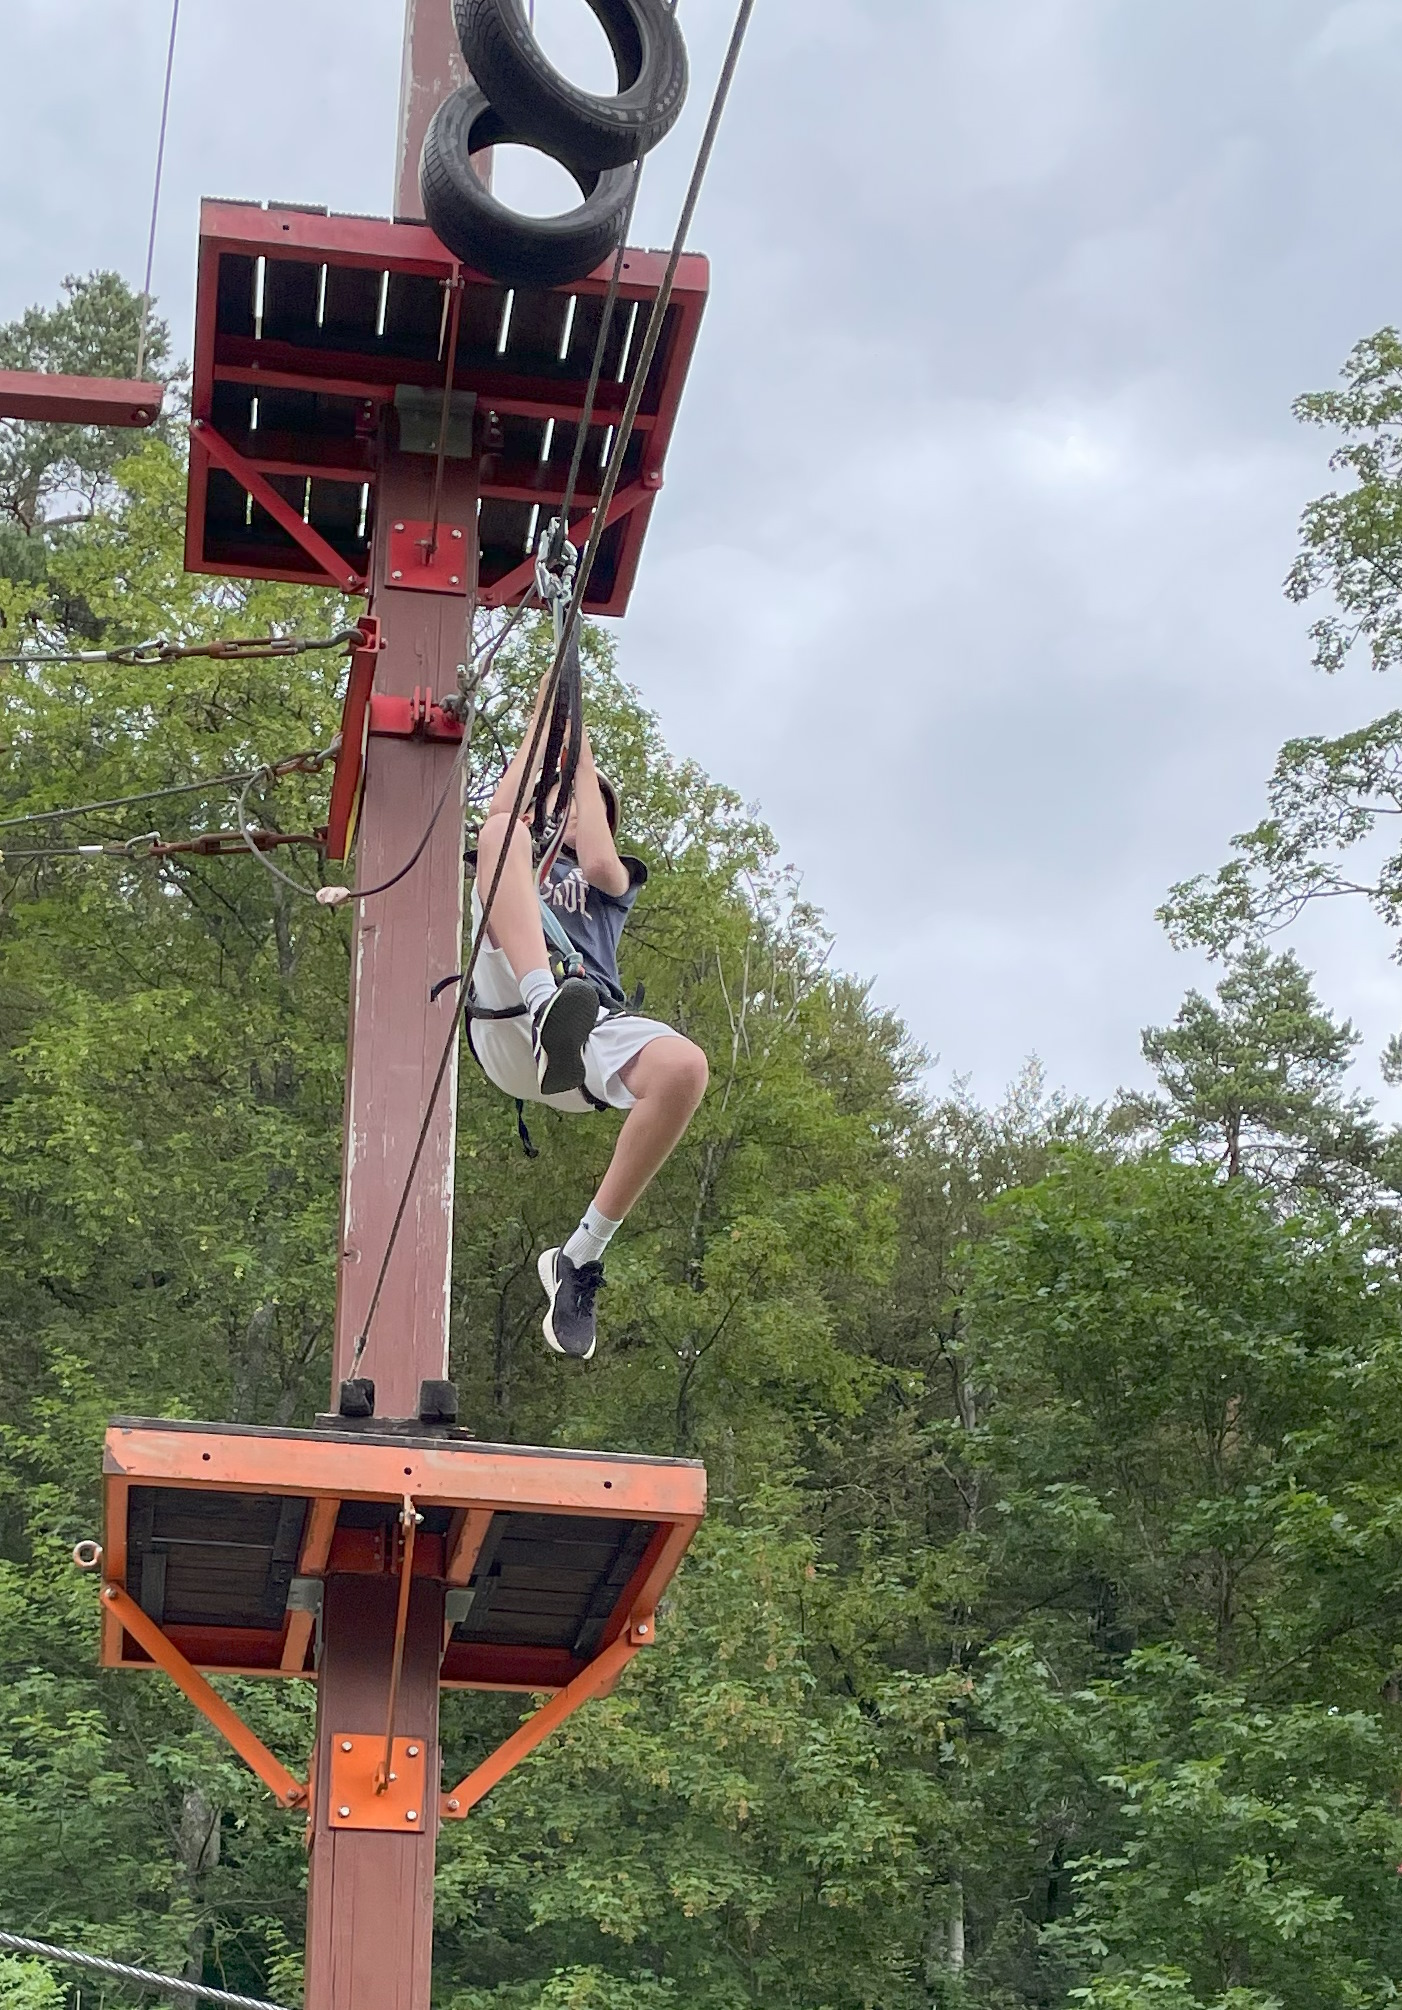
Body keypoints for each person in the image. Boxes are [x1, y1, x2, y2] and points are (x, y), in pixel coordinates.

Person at [468, 665, 709, 1362]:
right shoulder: (517, 849)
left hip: (587, 1029)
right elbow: (508, 810)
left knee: (684, 1067)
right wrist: (550, 701)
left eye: (580, 807)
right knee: (501, 836)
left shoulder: (610, 883)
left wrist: (581, 753)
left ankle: (578, 1256)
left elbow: (599, 851)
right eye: (562, 805)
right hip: (508, 1009)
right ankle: (545, 1001)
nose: (569, 815)